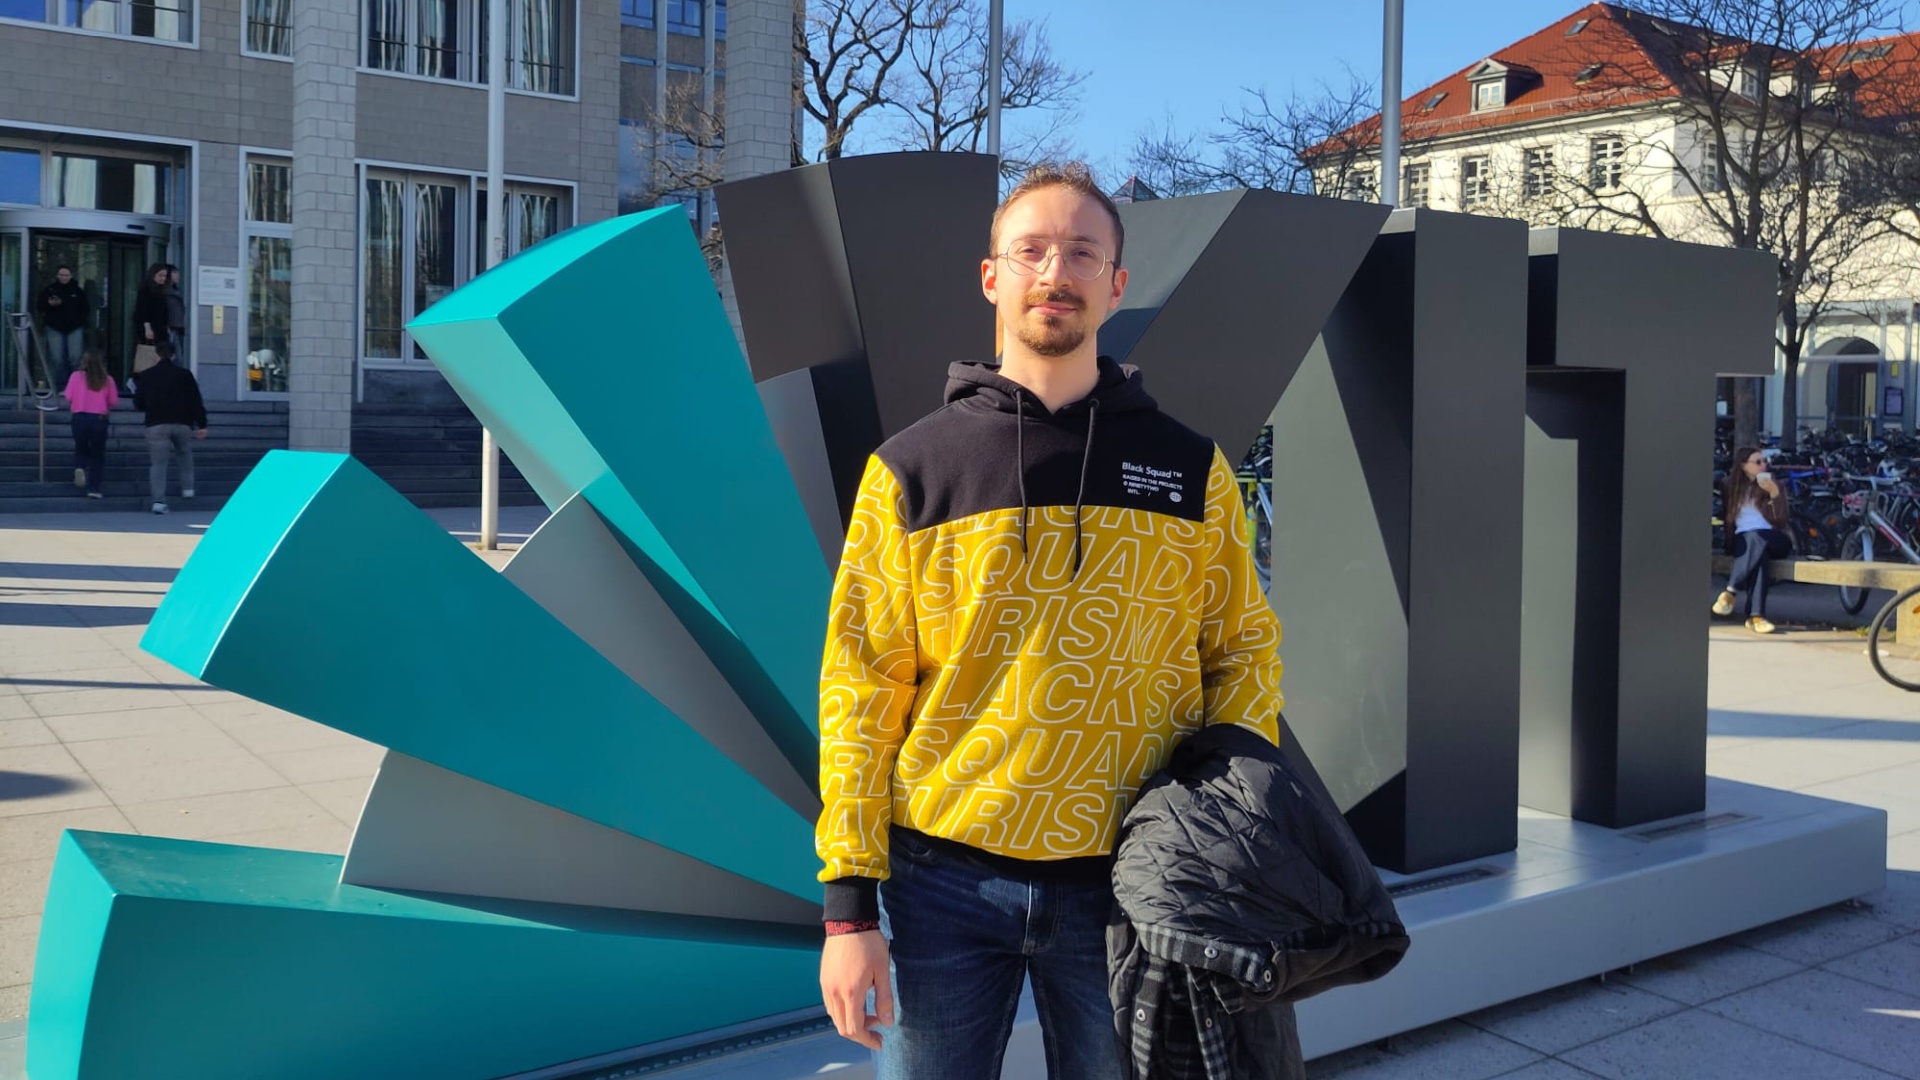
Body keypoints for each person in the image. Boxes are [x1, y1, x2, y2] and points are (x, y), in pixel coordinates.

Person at [815, 161, 1285, 1078]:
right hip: (940, 879)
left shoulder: (1192, 471)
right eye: (1030, 250)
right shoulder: (912, 470)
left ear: (1116, 283)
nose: (1054, 272)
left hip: (1129, 884)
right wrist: (847, 911)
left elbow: (1243, 654)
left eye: (1082, 251)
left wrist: (1217, 830)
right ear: (992, 277)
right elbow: (859, 687)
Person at [1714, 446, 1790, 634]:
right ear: (1743, 466)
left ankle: (1731, 591)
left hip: (1774, 538)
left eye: (1764, 461)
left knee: (1757, 537)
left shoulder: (1773, 484)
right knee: (1760, 558)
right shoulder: (1729, 486)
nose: (1763, 465)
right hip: (1744, 540)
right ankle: (1756, 617)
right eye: (1758, 462)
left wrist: (1774, 493)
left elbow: (1781, 521)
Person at [131, 341, 207, 514]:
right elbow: (195, 399)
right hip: (183, 423)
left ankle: (158, 501)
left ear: (157, 354)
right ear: (174, 355)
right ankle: (188, 488)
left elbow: (138, 402)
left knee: (158, 463)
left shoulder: (146, 375)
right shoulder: (185, 374)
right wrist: (202, 424)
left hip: (156, 423)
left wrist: (150, 406)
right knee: (185, 453)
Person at [62, 348, 117, 500]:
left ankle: (80, 467)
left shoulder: (75, 376)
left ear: (84, 362)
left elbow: (68, 396)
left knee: (81, 448)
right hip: (99, 419)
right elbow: (113, 401)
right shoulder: (107, 379)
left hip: (79, 417)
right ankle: (94, 487)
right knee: (97, 455)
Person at [36, 265, 88, 385]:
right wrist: (49, 304)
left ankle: (74, 387)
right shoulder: (50, 290)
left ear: (71, 276)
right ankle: (59, 387)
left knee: (75, 358)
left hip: (74, 328)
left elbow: (85, 309)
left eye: (66, 275)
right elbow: (40, 306)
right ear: (57, 275)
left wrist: (80, 322)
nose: (64, 277)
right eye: (61, 275)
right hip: (55, 328)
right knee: (57, 360)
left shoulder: (78, 291)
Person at [132, 263, 172, 363]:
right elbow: (142, 310)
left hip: (161, 327)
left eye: (165, 276)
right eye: (160, 275)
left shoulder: (162, 291)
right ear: (153, 275)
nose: (163, 278)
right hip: (150, 327)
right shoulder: (145, 289)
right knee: (149, 353)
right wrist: (147, 327)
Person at [165, 264, 188, 357]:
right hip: (169, 327)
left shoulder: (174, 291)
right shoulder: (165, 291)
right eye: (174, 272)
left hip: (175, 327)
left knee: (177, 356)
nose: (177, 275)